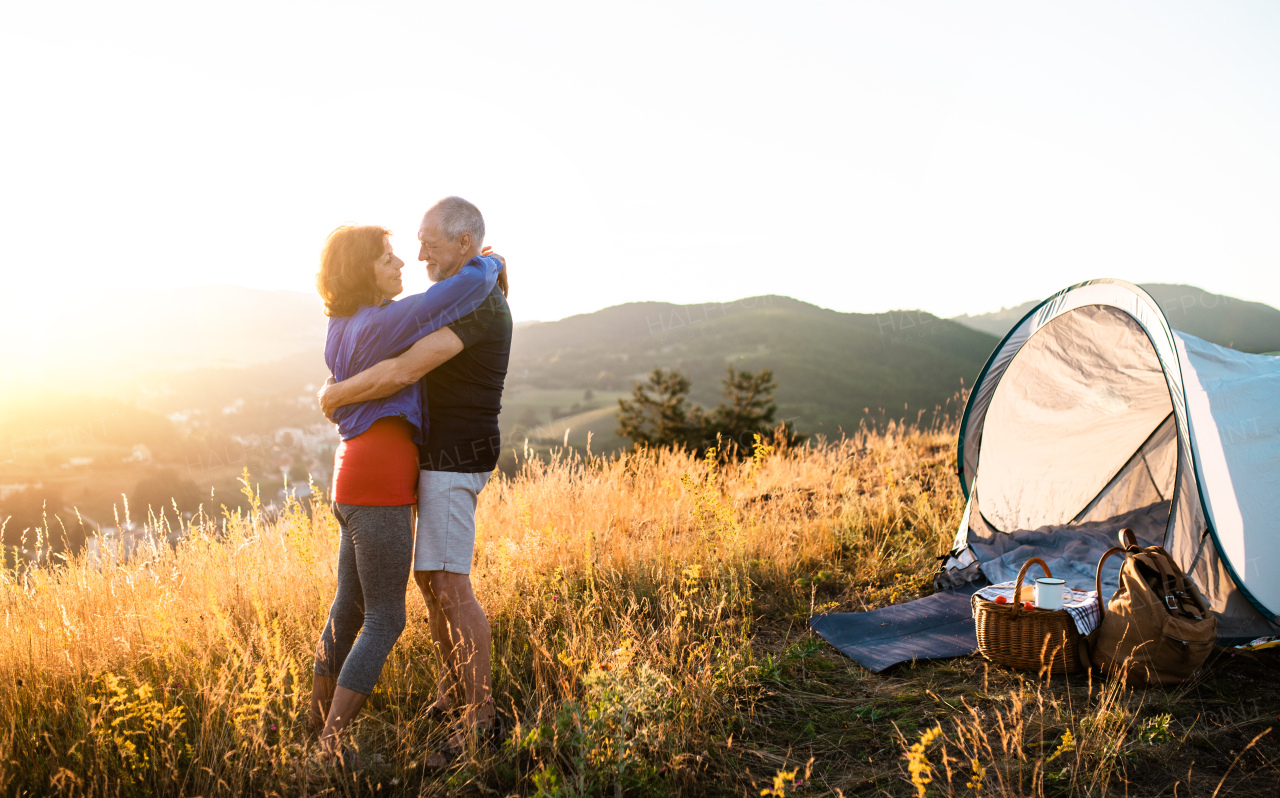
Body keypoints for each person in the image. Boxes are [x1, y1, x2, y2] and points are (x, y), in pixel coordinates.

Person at [319, 196, 512, 762]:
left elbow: (405, 369)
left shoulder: (475, 306)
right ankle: (455, 695)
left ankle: (480, 721)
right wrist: (493, 264)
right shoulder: (466, 292)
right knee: (432, 584)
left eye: (429, 239)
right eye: (415, 240)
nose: (419, 250)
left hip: (456, 459)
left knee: (448, 584)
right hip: (435, 460)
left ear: (462, 244)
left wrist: (333, 395)